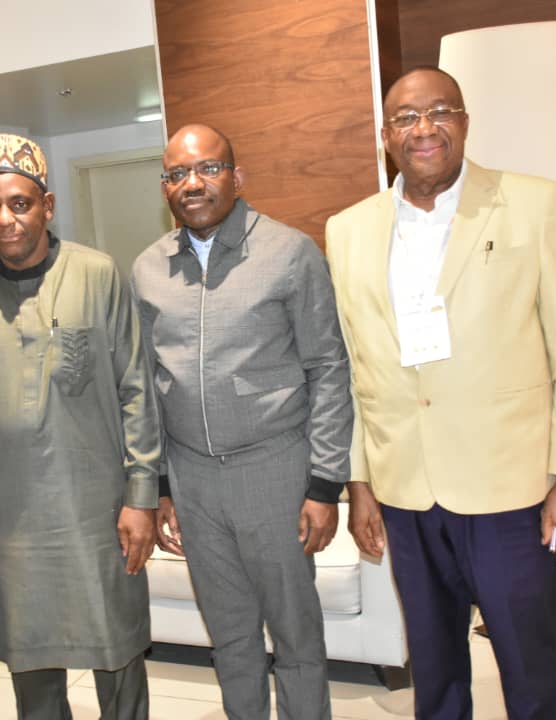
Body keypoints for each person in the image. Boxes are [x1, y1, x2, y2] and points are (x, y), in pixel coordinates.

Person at [325, 67, 556, 720]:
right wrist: (360, 483)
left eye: (440, 111)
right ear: (386, 136)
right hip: (405, 489)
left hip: (508, 487)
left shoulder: (533, 203)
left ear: (465, 122)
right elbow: (355, 366)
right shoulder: (348, 229)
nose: (423, 128)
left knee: (528, 667)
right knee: (435, 670)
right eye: (405, 117)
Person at [0, 133, 160, 720]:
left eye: (20, 203)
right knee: (31, 667)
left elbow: (136, 389)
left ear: (47, 206)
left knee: (118, 655)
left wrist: (141, 496)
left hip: (98, 511)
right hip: (9, 519)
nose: (5, 219)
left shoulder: (97, 274)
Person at [130, 123, 353, 719]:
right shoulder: (148, 269)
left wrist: (324, 484)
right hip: (194, 481)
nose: (192, 183)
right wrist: (161, 485)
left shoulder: (289, 252)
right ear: (165, 187)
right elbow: (147, 386)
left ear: (236, 177)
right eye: (177, 173)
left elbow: (328, 367)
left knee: (296, 634)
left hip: (274, 472)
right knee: (229, 635)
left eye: (208, 168)